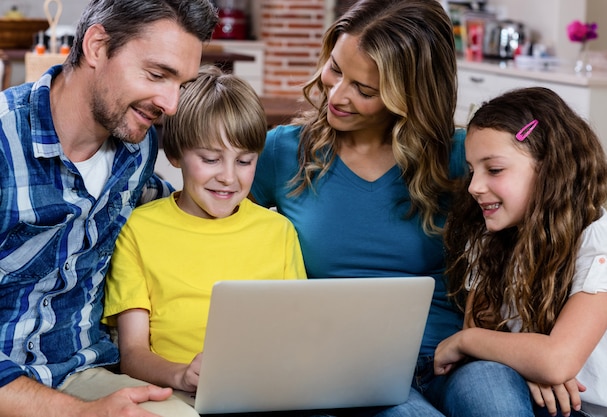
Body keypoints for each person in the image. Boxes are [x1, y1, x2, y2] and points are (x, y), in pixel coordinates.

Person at [0, 0, 218, 416]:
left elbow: (167, 206)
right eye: (157, 74)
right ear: (98, 46)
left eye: (182, 85)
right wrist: (78, 414)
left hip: (85, 372)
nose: (170, 104)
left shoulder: (137, 148)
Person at [251, 0, 465, 415]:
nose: (336, 94)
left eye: (364, 90)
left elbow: (559, 225)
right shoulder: (283, 152)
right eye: (335, 68)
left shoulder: (463, 159)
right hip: (346, 364)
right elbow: (210, 230)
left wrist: (550, 348)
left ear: (411, 96)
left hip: (453, 355)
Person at [102, 65, 306, 401]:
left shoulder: (278, 232)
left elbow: (299, 335)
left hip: (265, 394)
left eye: (244, 161)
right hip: (176, 393)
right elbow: (133, 355)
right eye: (211, 159)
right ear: (176, 155)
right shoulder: (139, 229)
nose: (228, 177)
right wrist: (182, 375)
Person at [433, 87, 607, 417]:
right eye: (471, 170)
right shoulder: (491, 236)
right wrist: (527, 363)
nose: (474, 186)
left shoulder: (603, 246)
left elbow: (556, 360)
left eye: (493, 170)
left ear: (550, 170)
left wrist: (463, 341)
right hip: (537, 398)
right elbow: (486, 331)